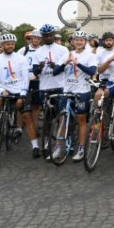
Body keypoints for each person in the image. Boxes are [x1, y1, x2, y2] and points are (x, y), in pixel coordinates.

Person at [51, 30, 97, 162]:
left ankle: (81, 148)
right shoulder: (66, 55)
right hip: (67, 90)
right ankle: (59, 147)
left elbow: (92, 71)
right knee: (62, 119)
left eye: (81, 40)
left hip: (82, 91)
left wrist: (77, 64)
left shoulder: (90, 56)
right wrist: (66, 63)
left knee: (81, 119)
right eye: (76, 39)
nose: (79, 42)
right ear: (73, 41)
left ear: (85, 42)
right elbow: (55, 72)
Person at [0, 33, 33, 152]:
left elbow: (25, 77)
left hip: (18, 90)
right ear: (2, 45)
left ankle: (17, 127)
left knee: (20, 106)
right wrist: (1, 90)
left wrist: (23, 92)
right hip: (3, 90)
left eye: (12, 44)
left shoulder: (21, 59)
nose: (10, 46)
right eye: (7, 44)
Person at [30, 24, 69, 157]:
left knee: (61, 116)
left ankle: (62, 143)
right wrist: (40, 68)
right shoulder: (37, 52)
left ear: (53, 35)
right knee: (47, 117)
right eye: (45, 36)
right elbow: (35, 72)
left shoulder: (63, 49)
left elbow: (68, 68)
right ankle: (46, 142)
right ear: (42, 37)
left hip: (60, 86)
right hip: (45, 87)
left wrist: (57, 66)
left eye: (50, 35)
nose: (48, 37)